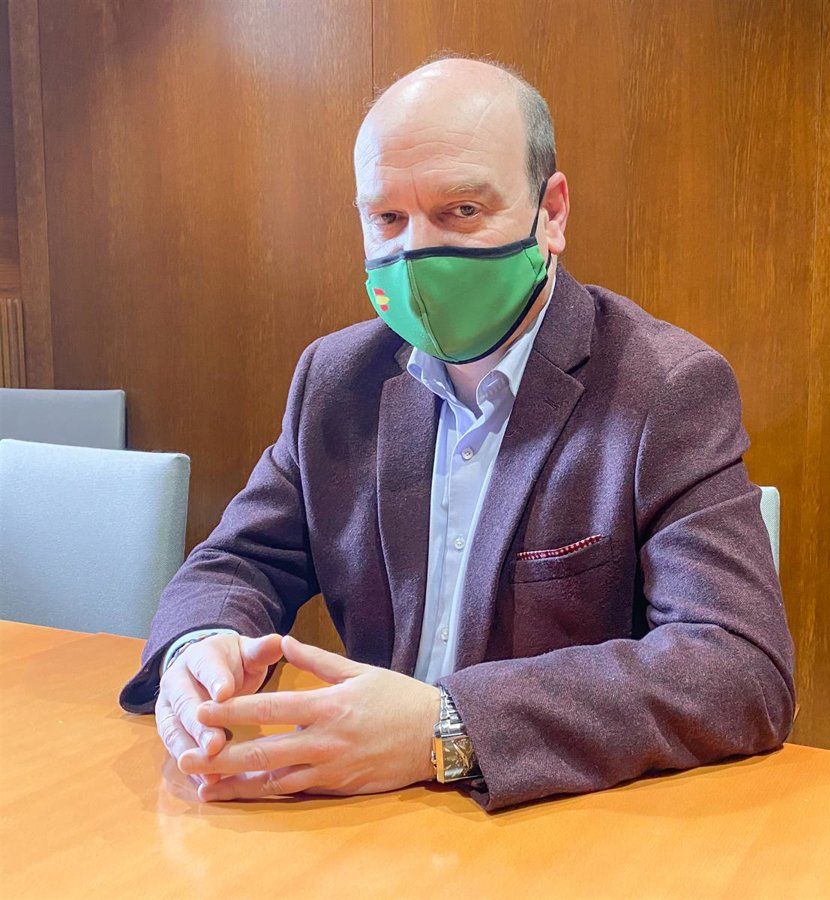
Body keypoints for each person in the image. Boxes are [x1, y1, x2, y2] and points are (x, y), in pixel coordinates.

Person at [119, 56, 796, 811]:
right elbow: (240, 560)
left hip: (552, 824)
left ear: (552, 213)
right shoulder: (336, 381)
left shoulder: (665, 389)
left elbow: (737, 665)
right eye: (388, 219)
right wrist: (200, 648)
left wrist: (445, 728)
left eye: (462, 211)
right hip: (368, 817)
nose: (417, 255)